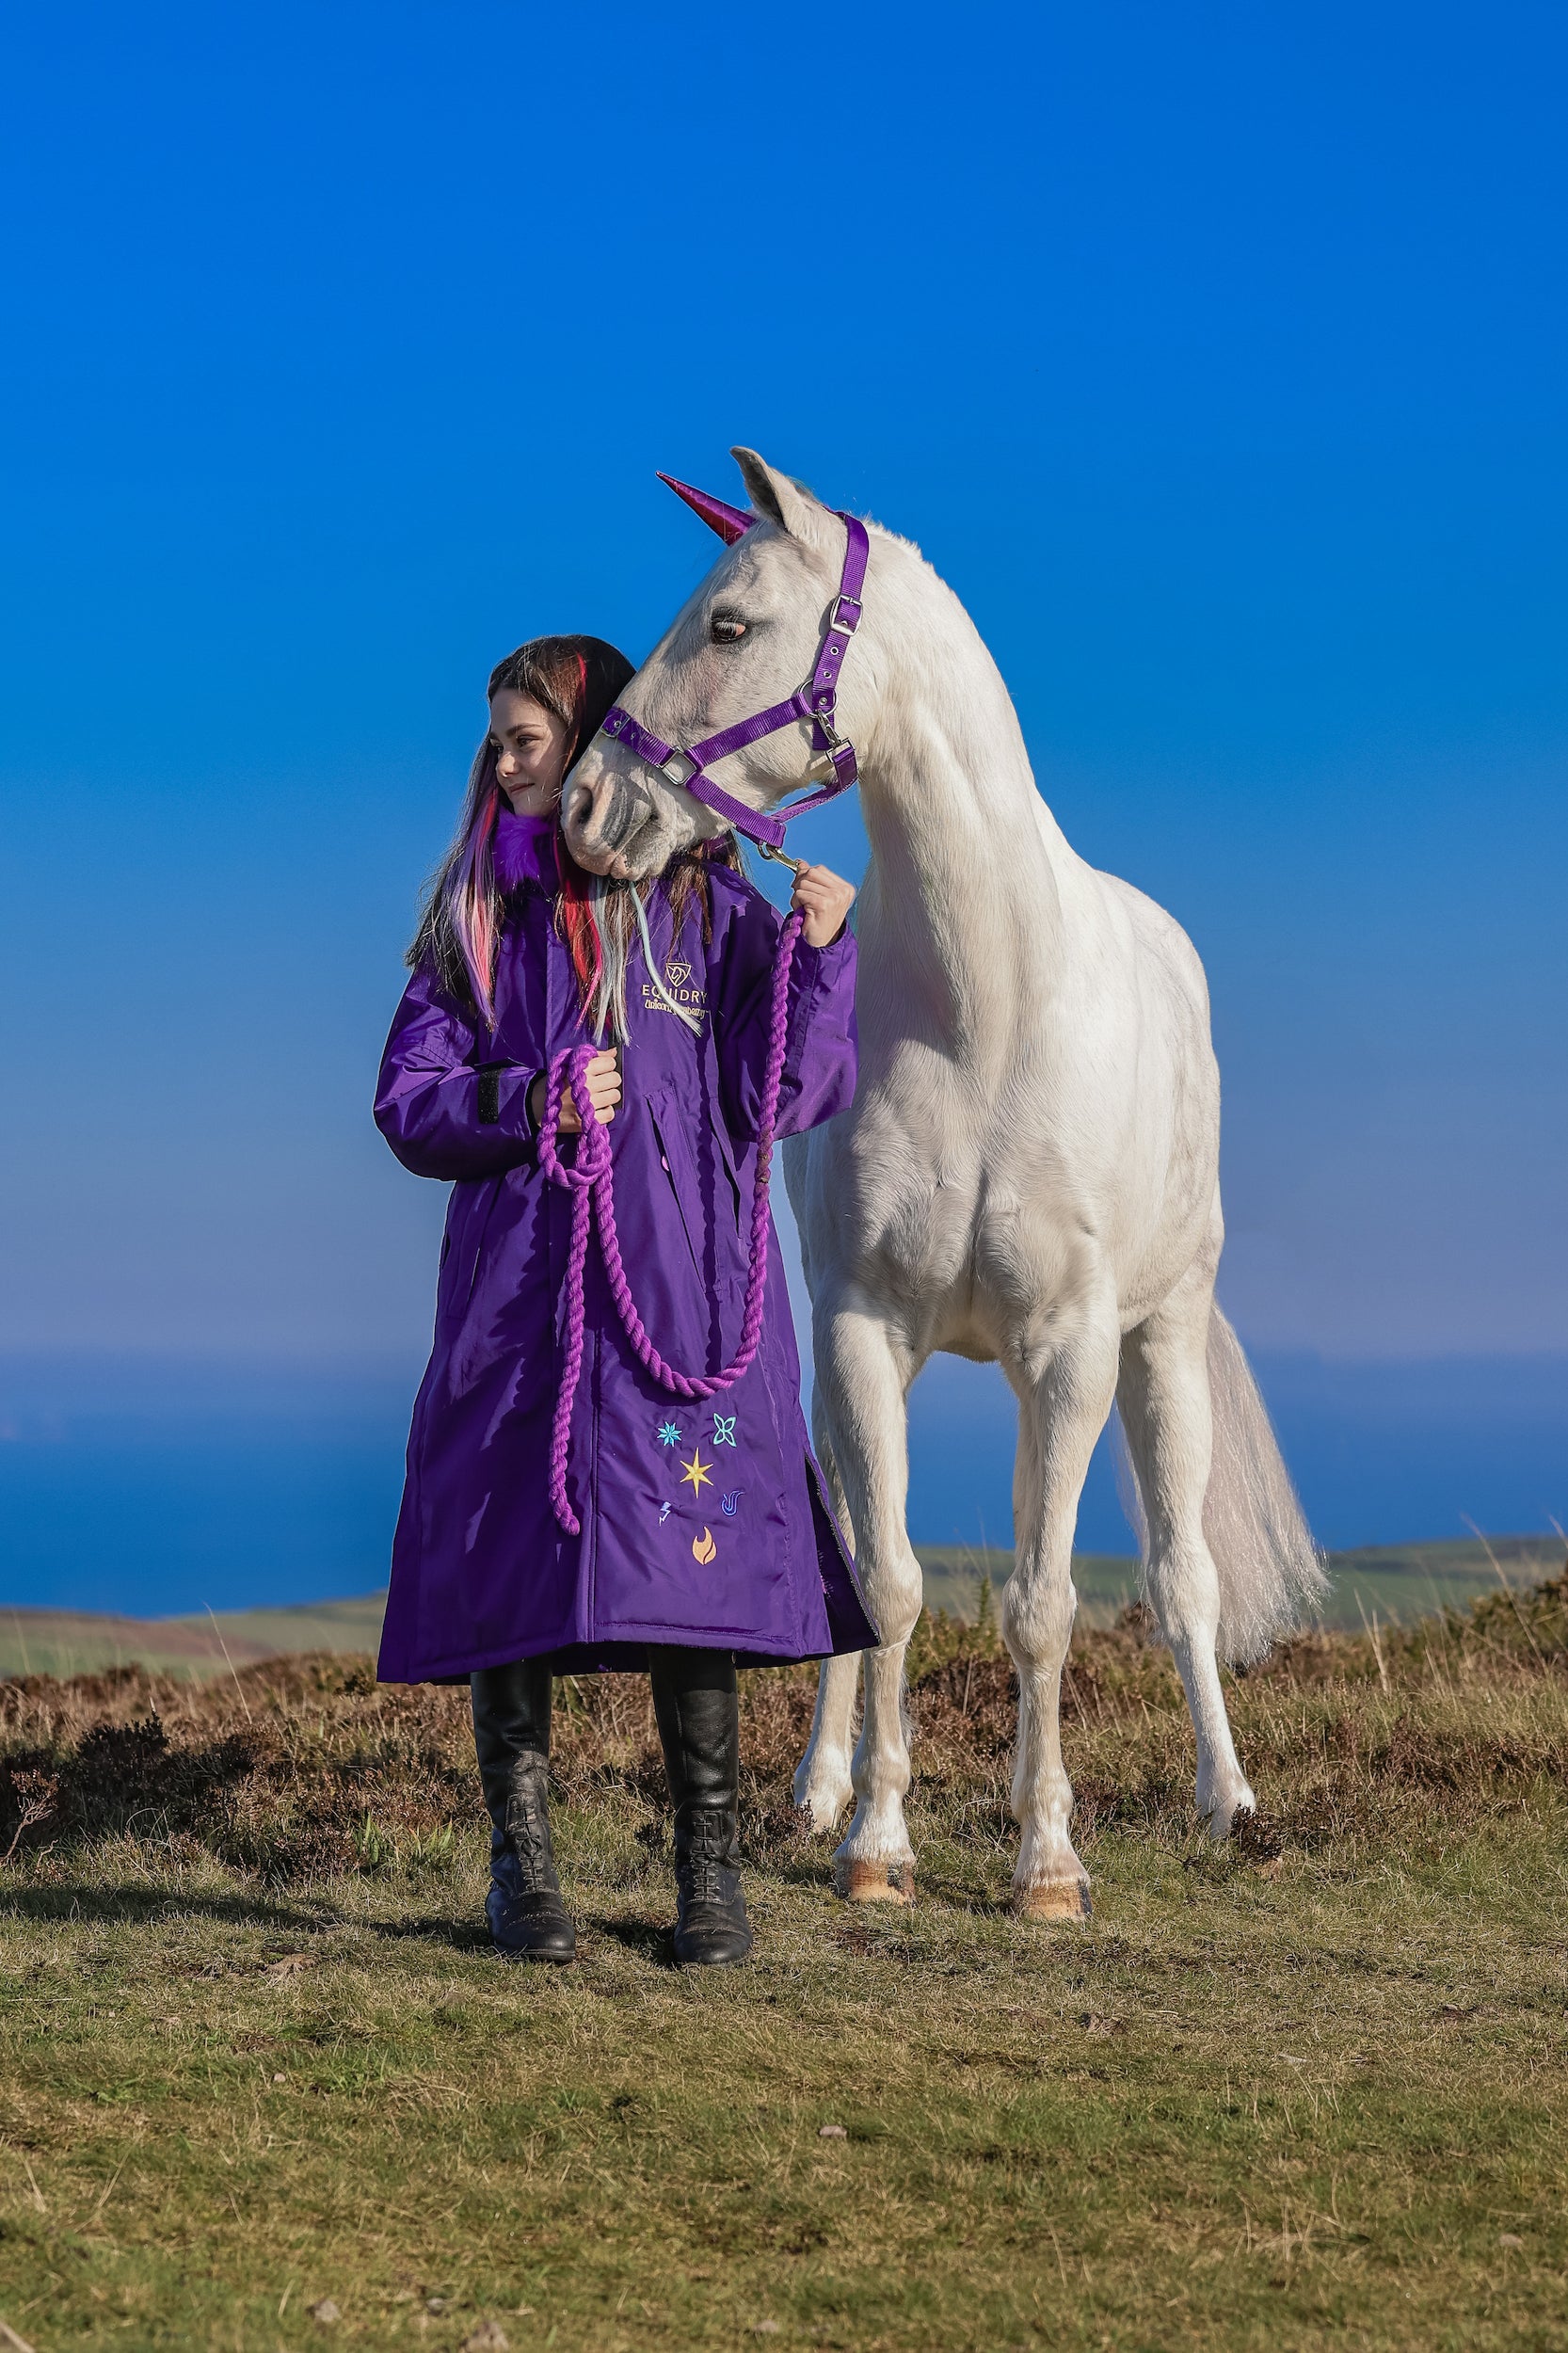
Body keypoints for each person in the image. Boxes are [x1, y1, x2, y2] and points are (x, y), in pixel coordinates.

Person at [374, 633, 875, 1968]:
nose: (503, 762)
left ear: (592, 737)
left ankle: (710, 1881)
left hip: (684, 1296)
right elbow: (407, 1101)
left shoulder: (714, 910)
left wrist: (823, 955)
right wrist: (526, 1099)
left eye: (525, 738)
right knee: (508, 1570)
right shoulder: (477, 917)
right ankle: (521, 1874)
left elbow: (781, 1093)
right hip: (521, 1304)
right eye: (495, 741)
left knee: (692, 1575)